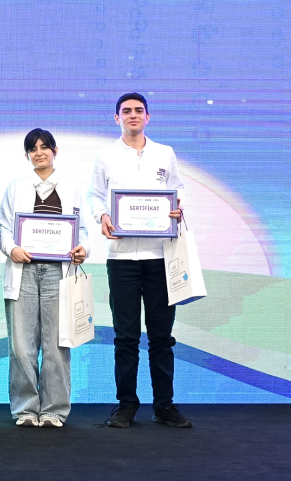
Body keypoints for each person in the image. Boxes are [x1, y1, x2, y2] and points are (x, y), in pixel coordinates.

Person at [88, 92, 191, 429]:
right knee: (125, 338)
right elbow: (95, 195)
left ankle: (164, 405)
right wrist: (103, 215)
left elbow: (179, 191)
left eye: (138, 110)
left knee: (162, 337)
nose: (132, 115)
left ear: (148, 117)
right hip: (121, 259)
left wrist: (178, 207)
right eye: (126, 111)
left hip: (160, 256)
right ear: (116, 118)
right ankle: (126, 405)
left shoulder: (165, 153)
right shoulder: (105, 156)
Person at [0, 129, 89, 429]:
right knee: (21, 346)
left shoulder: (71, 189)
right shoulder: (16, 187)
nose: (39, 153)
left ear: (55, 151)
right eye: (33, 149)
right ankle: (25, 409)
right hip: (23, 271)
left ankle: (54, 410)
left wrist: (82, 249)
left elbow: (82, 231)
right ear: (27, 155)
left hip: (58, 274)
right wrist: (11, 249)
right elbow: (2, 227)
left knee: (56, 345)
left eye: (44, 147)